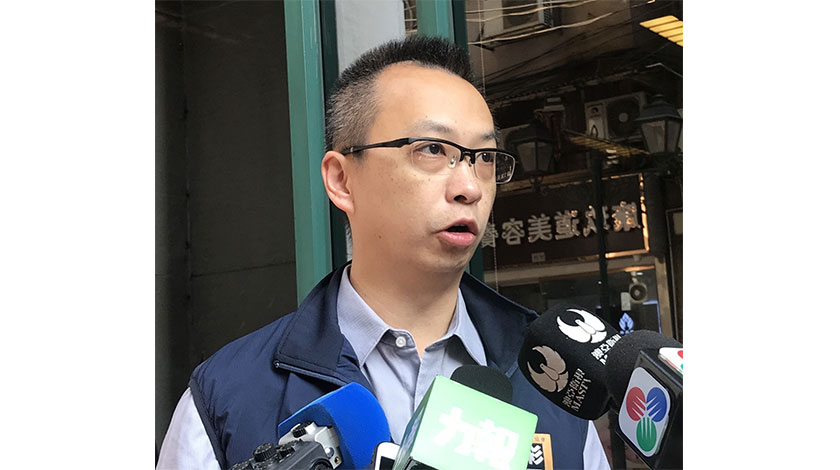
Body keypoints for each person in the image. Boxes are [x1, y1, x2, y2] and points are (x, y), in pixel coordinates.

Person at [157, 36, 609, 469]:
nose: (470, 187)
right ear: (342, 180)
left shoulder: (552, 376)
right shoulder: (226, 395)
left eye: (485, 157)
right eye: (433, 149)